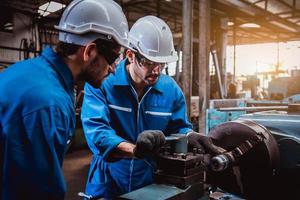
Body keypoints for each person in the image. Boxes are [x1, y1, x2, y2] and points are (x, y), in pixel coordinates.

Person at [81, 16, 223, 199]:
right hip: (108, 180)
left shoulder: (171, 90)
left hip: (151, 182)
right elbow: (97, 133)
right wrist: (134, 150)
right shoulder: (102, 83)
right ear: (130, 55)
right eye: (149, 62)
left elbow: (178, 127)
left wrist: (189, 135)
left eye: (161, 63)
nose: (157, 70)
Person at [0, 0, 130, 199]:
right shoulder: (49, 103)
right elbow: (36, 192)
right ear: (89, 51)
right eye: (112, 59)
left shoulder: (32, 72)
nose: (113, 69)